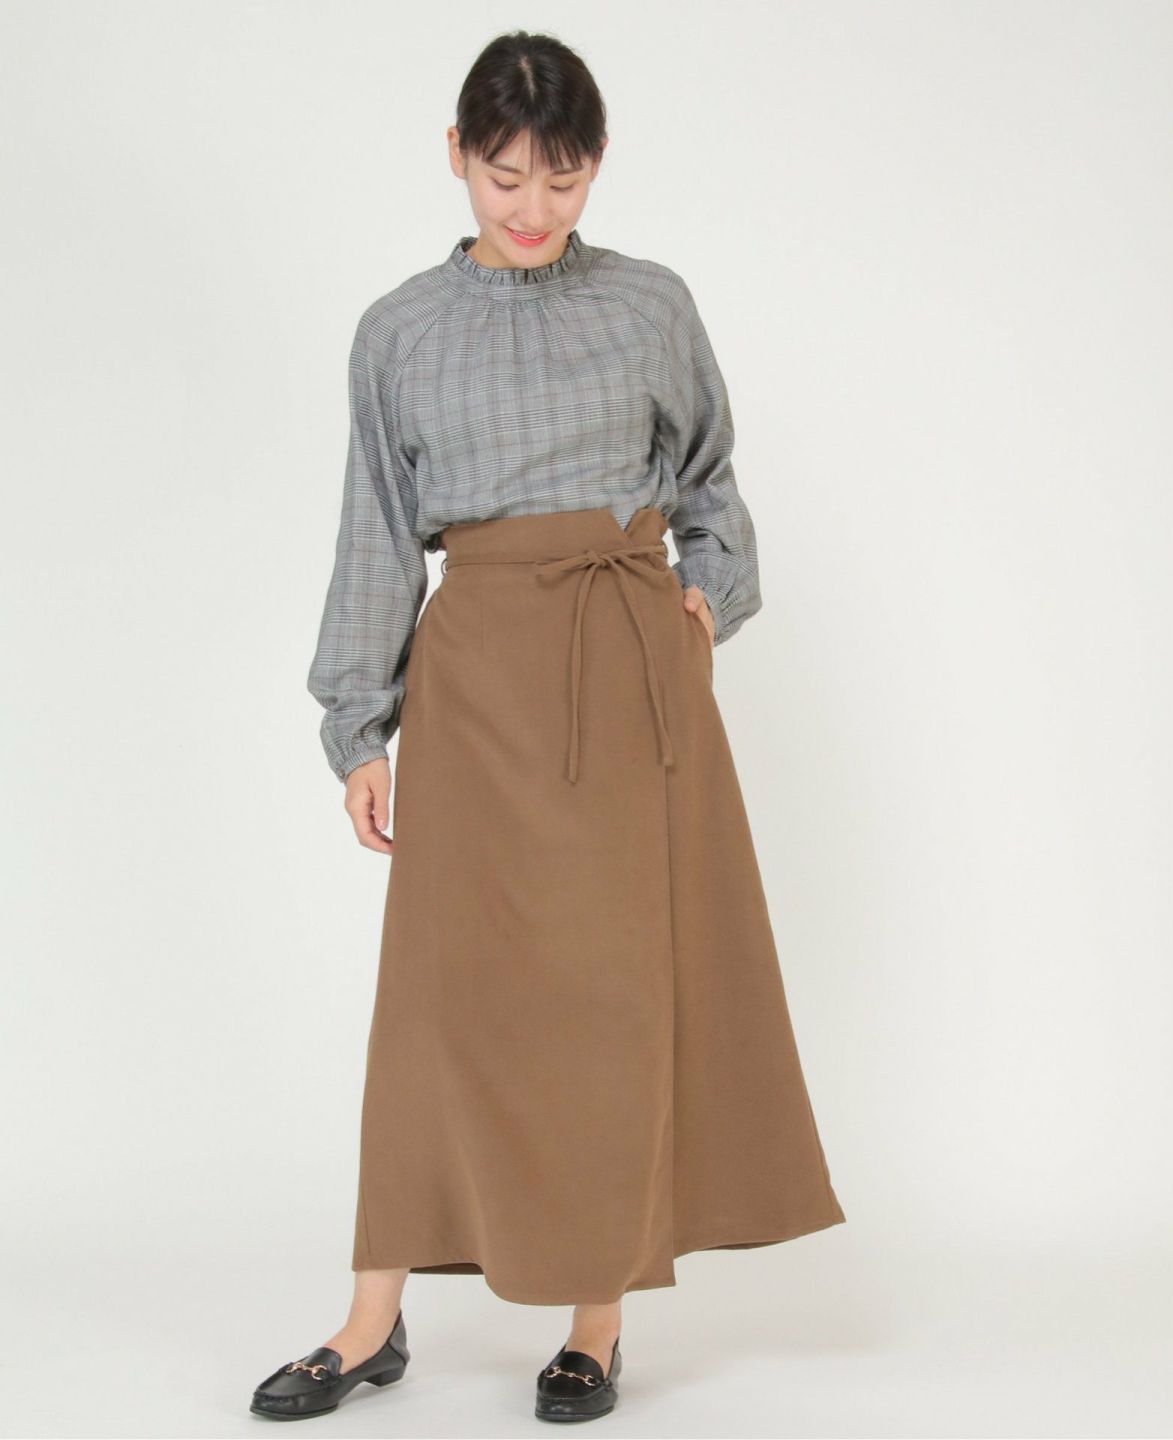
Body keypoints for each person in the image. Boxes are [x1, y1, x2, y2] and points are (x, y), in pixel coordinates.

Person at [250, 28, 846, 1426]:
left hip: (627, 679)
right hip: (474, 693)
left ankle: (595, 1324)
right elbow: (377, 532)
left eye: (563, 181)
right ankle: (371, 1320)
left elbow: (711, 484)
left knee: (612, 1003)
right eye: (506, 176)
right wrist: (360, 729)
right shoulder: (400, 329)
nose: (532, 209)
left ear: (598, 167)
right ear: (457, 155)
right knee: (433, 1007)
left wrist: (700, 602)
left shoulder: (648, 305)